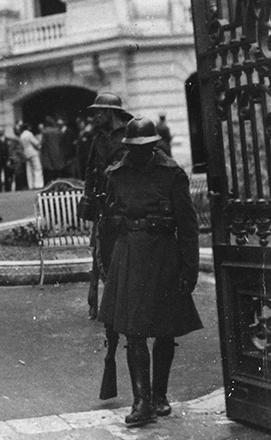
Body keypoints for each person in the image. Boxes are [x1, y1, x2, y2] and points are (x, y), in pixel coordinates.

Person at [99, 116, 203, 426]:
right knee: (134, 332)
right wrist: (107, 266)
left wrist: (190, 269)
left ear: (156, 145)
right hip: (128, 254)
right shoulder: (116, 175)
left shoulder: (172, 174)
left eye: (147, 147)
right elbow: (106, 224)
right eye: (135, 147)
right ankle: (141, 402)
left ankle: (159, 395)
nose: (141, 153)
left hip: (164, 256)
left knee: (165, 329)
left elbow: (188, 225)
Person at [79, 92, 131, 321]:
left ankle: (124, 302)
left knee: (127, 254)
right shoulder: (97, 139)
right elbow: (90, 172)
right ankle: (103, 304)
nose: (95, 116)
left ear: (110, 112)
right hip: (102, 205)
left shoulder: (130, 133)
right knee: (101, 253)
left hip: (126, 204)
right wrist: (87, 199)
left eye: (99, 111)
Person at [39, 116, 67, 184]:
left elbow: (42, 143)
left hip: (48, 153)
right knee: (58, 169)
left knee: (49, 170)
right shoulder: (58, 131)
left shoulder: (45, 132)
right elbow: (62, 142)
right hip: (58, 152)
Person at [17, 120, 43, 189]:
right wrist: (39, 145)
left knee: (29, 170)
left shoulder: (21, 135)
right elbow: (35, 142)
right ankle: (38, 184)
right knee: (37, 168)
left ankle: (30, 185)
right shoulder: (29, 134)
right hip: (33, 152)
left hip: (26, 153)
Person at [0, 128, 14, 192]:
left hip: (5, 159)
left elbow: (9, 150)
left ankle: (8, 188)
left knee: (7, 174)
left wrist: (9, 159)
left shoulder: (7, 140)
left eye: (2, 131)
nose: (1, 132)